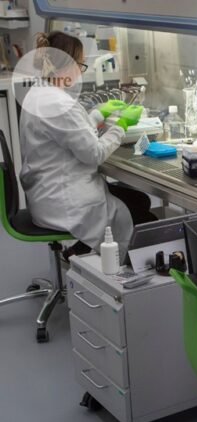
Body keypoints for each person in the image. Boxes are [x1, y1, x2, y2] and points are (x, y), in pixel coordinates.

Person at [19, 31, 155, 259]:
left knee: (140, 200)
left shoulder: (40, 92)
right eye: (81, 64)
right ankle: (123, 269)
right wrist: (121, 125)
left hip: (47, 194)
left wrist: (97, 115)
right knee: (144, 219)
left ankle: (81, 249)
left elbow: (68, 135)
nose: (81, 71)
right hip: (67, 203)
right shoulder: (59, 102)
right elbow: (94, 153)